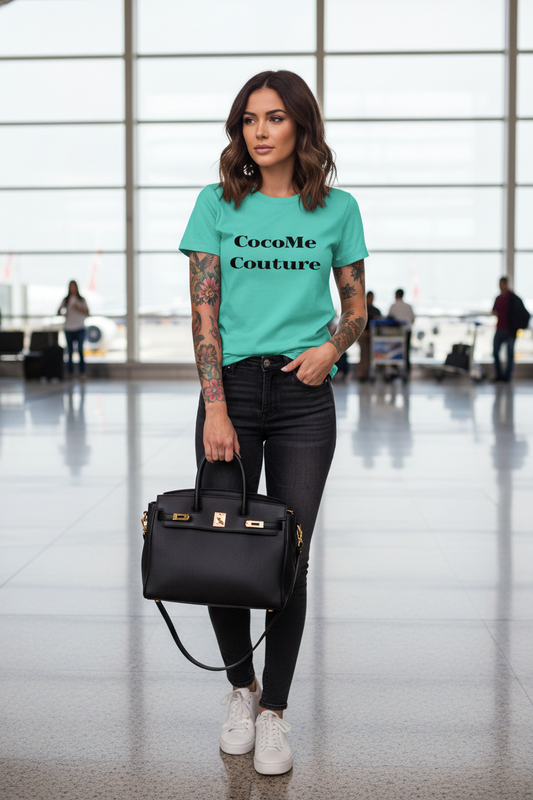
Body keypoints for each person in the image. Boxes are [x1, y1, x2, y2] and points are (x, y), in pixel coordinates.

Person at [179, 70, 368, 776]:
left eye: (275, 118)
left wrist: (329, 349)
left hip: (302, 395)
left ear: (300, 128)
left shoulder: (337, 209)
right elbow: (203, 311)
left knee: (288, 553)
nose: (259, 131)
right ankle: (239, 689)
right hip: (229, 389)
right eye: (248, 120)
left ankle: (274, 712)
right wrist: (215, 405)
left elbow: (353, 308)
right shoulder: (216, 204)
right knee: (223, 545)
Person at [491, 276, 530, 382]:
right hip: (499, 329)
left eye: (501, 284)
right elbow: (494, 311)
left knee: (510, 354)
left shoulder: (514, 298)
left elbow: (523, 314)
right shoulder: (498, 298)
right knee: (495, 352)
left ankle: (507, 377)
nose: (500, 286)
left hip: (510, 330)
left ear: (506, 284)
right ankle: (499, 375)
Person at [57, 280, 89, 379]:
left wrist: (78, 308)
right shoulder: (66, 300)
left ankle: (82, 372)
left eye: (74, 286)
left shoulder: (81, 300)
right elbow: (58, 312)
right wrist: (64, 312)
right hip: (68, 328)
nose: (73, 288)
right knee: (70, 352)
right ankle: (70, 372)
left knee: (80, 350)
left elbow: (87, 312)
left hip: (79, 327)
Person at [388, 288, 415, 373]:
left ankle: (394, 368)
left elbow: (389, 317)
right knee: (406, 351)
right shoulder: (408, 306)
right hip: (407, 331)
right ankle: (407, 369)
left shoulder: (393, 306)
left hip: (396, 332)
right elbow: (413, 319)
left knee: (394, 350)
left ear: (396, 295)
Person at [358, 290, 381, 381]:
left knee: (368, 355)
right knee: (365, 355)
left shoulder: (362, 309)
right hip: (365, 334)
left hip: (368, 334)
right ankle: (363, 374)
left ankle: (367, 373)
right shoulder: (374, 310)